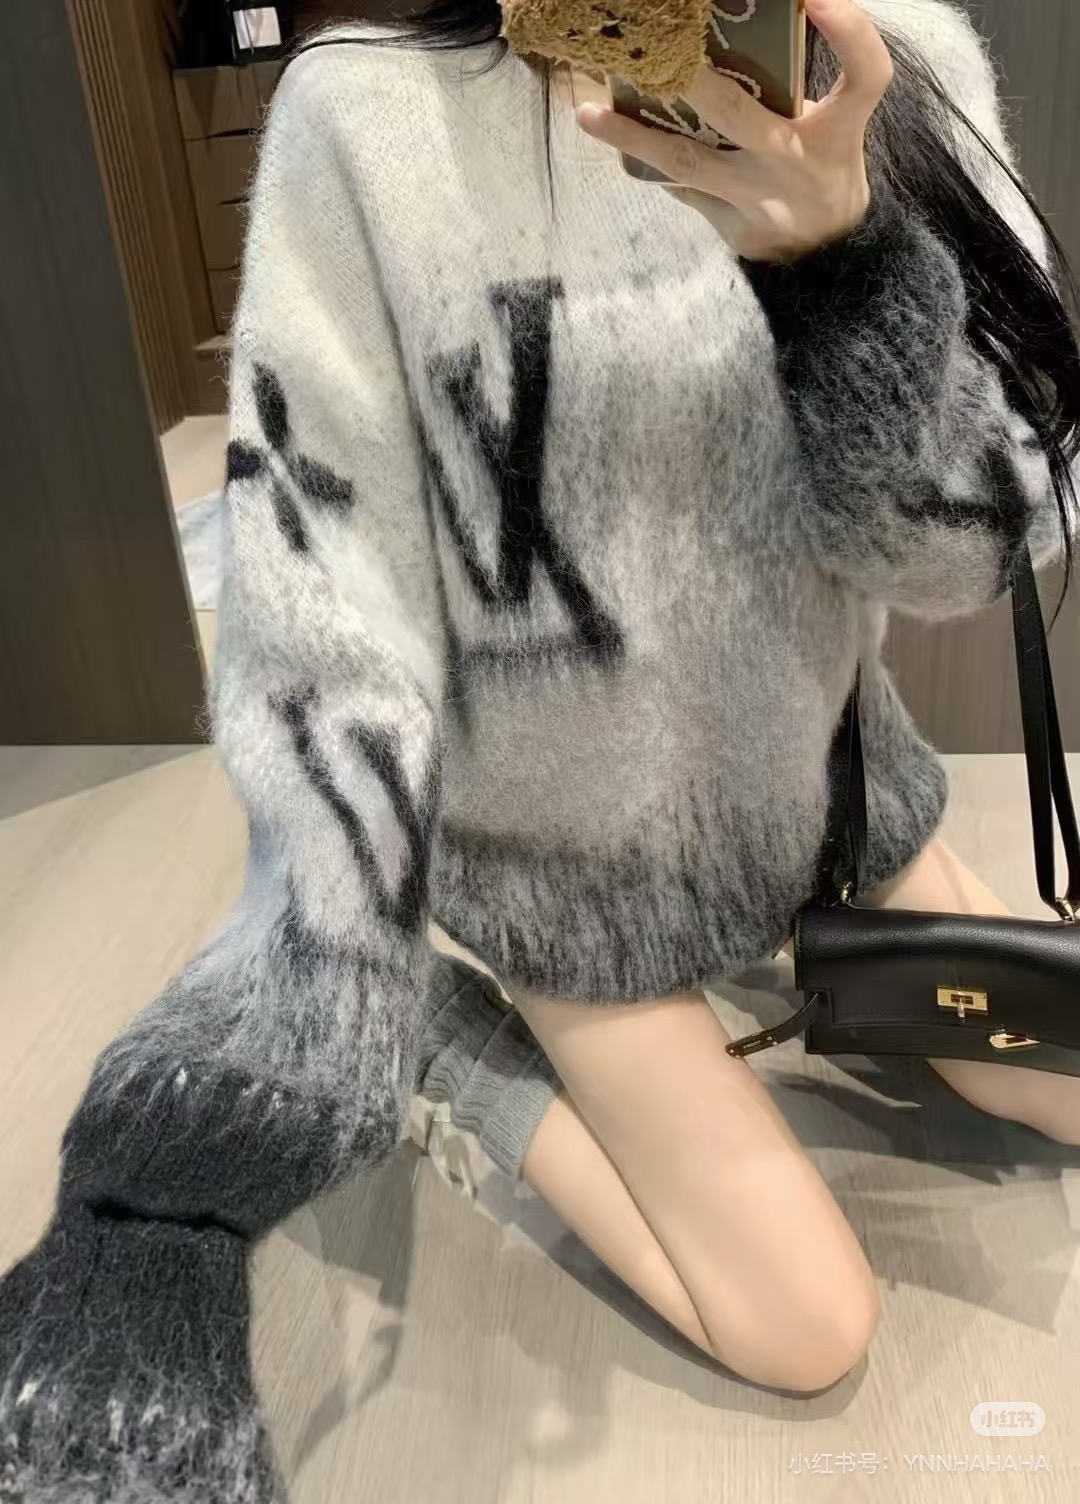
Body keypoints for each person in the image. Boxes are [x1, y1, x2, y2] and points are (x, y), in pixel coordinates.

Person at [2, 1, 1079, 1499]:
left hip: (837, 804)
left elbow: (979, 557)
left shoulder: (886, 67)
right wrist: (343, 948)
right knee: (804, 1323)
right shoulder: (370, 120)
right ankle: (444, 1045)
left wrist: (843, 270)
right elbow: (329, 591)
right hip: (570, 869)